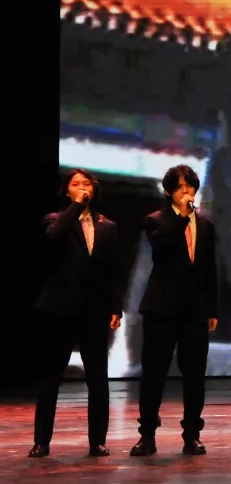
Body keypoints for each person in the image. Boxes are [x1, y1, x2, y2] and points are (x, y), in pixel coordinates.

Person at [29, 169, 124, 458]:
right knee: (51, 377)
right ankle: (41, 441)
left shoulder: (108, 226)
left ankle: (98, 441)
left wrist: (115, 307)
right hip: (59, 308)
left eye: (87, 184)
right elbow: (53, 237)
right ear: (67, 190)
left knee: (98, 378)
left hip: (94, 310)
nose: (82, 188)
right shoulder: (55, 219)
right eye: (76, 184)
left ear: (94, 190)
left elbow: (113, 271)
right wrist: (75, 208)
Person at [130, 165, 219, 457]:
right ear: (169, 191)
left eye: (190, 186)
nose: (186, 192)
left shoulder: (205, 225)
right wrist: (181, 217)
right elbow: (164, 249)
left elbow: (209, 269)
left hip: (194, 310)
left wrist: (212, 308)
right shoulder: (156, 220)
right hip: (161, 308)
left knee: (194, 374)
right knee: (154, 373)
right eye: (180, 187)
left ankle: (192, 434)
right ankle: (147, 435)